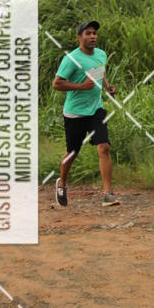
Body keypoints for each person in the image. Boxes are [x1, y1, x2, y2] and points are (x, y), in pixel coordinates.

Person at [53, 20, 120, 208]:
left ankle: (108, 194)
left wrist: (108, 87)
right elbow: (57, 83)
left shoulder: (101, 54)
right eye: (88, 33)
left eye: (94, 33)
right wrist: (81, 86)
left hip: (96, 109)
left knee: (103, 147)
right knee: (72, 153)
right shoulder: (71, 59)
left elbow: (99, 72)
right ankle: (62, 183)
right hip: (75, 113)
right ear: (79, 37)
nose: (93, 36)